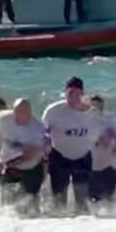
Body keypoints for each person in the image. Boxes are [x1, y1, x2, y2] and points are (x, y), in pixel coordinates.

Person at [41, 77, 103, 214]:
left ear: (82, 94)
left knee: (82, 198)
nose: (72, 97)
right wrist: (45, 145)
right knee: (59, 198)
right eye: (69, 93)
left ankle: (81, 228)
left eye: (76, 93)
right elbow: (44, 132)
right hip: (59, 155)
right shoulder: (53, 111)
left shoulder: (93, 113)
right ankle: (60, 225)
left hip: (83, 157)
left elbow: (98, 137)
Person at [0, 99, 48, 215]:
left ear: (29, 113)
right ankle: (6, 223)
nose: (16, 118)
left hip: (30, 167)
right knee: (7, 199)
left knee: (31, 202)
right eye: (15, 113)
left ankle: (35, 223)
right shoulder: (3, 118)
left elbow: (30, 156)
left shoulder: (37, 130)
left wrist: (8, 164)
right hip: (8, 165)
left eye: (21, 114)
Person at [88, 95, 116, 207]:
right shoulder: (84, 120)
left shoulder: (110, 119)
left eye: (99, 106)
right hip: (90, 167)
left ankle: (111, 221)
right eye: (93, 106)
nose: (96, 109)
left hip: (108, 166)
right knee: (93, 200)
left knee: (110, 199)